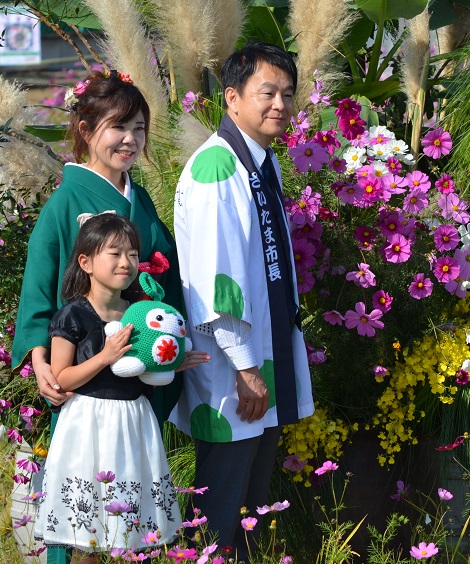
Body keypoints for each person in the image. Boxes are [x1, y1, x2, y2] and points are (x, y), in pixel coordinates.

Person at [11, 69, 198, 564]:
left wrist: (169, 342)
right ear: (85, 128)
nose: (130, 139)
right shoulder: (66, 200)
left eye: (139, 128)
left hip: (135, 363)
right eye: (118, 126)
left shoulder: (142, 200)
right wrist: (40, 359)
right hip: (84, 362)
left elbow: (167, 273)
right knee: (82, 489)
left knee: (127, 490)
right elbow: (39, 282)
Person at [171, 41, 314, 553]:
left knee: (251, 505)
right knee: (221, 504)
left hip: (259, 361)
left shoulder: (259, 160)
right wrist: (247, 367)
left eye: (288, 94)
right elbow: (217, 282)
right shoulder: (218, 168)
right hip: (236, 369)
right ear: (232, 98)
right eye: (267, 92)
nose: (280, 104)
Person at [34, 214, 197, 562]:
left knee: (131, 528)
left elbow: (143, 366)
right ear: (86, 262)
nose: (127, 262)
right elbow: (62, 378)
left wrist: (170, 362)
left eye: (134, 254)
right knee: (90, 529)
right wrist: (105, 356)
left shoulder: (138, 313)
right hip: (88, 424)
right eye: (115, 253)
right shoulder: (72, 315)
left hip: (133, 421)